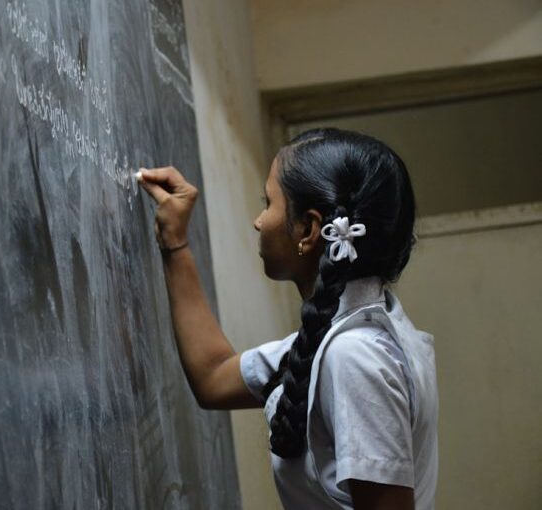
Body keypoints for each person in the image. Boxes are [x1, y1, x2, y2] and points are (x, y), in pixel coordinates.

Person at [136, 127, 438, 510]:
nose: (258, 221)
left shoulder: (355, 356)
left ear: (309, 229)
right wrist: (174, 242)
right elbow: (214, 377)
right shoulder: (346, 335)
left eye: (268, 203)